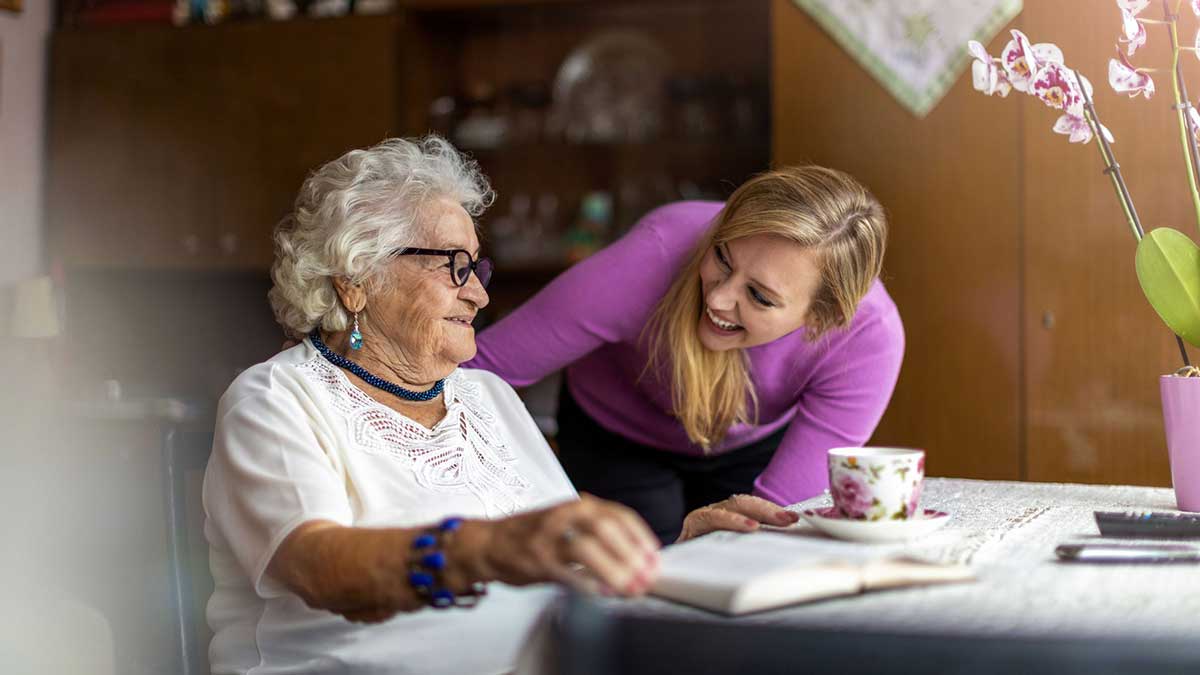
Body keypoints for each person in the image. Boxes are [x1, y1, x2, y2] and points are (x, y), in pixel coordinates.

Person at [202, 136, 798, 675]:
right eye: (454, 266)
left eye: (477, 267)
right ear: (356, 279)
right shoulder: (277, 400)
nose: (480, 293)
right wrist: (487, 547)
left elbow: (566, 572)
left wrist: (672, 561)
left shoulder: (485, 396)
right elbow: (317, 566)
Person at [467, 166, 904, 543]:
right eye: (723, 258)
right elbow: (476, 369)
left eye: (758, 296)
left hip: (750, 445)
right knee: (631, 585)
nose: (718, 299)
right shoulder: (654, 254)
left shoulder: (868, 338)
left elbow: (777, 522)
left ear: (821, 319)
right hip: (617, 434)